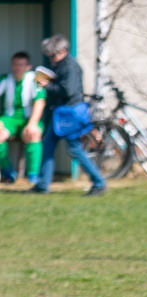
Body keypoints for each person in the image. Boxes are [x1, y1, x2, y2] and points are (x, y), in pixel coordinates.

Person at [30, 35, 106, 196]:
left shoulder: (70, 67)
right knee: (48, 145)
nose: (50, 59)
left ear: (63, 51)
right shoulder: (60, 65)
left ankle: (99, 182)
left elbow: (68, 91)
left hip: (69, 115)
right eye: (48, 56)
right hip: (59, 114)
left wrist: (47, 85)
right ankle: (43, 185)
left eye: (52, 55)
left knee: (75, 149)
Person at [0, 52, 45, 184]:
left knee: (33, 134)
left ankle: (33, 175)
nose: (17, 68)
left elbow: (40, 102)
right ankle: (7, 171)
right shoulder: (5, 79)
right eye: (15, 64)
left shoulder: (35, 80)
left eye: (21, 65)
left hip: (29, 118)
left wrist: (32, 124)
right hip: (10, 118)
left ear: (28, 66)